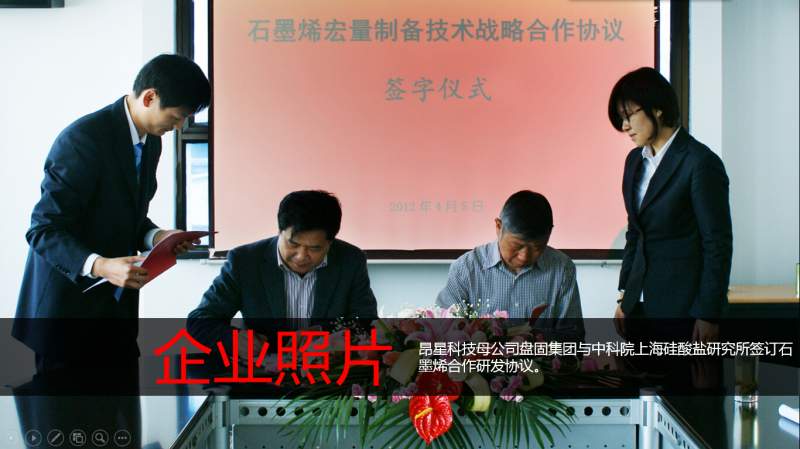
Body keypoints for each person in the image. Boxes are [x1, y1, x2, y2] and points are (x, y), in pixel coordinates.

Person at [13, 54, 211, 372]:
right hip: (66, 317)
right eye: (176, 117)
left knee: (123, 401)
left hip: (116, 315)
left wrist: (157, 236)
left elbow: (127, 215)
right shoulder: (82, 140)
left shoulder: (151, 142)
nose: (177, 128)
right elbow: (43, 230)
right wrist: (101, 266)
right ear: (150, 97)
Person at [608, 67, 732, 343]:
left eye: (629, 115)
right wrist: (624, 294)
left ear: (657, 109)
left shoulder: (700, 162)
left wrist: (708, 314)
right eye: (621, 118)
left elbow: (717, 244)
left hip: (684, 309)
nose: (624, 126)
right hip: (638, 307)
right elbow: (635, 233)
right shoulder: (634, 161)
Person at [187, 190, 378, 356]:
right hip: (263, 374)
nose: (301, 256)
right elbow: (199, 321)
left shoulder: (350, 261)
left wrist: (324, 333)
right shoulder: (245, 261)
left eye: (315, 248)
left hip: (327, 376)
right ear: (280, 230)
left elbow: (366, 323)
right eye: (293, 244)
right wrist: (234, 340)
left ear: (331, 242)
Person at [436, 190, 584, 340]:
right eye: (516, 246)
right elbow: (444, 332)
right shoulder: (466, 269)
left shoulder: (562, 269)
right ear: (498, 226)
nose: (524, 256)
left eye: (537, 248)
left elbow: (573, 336)